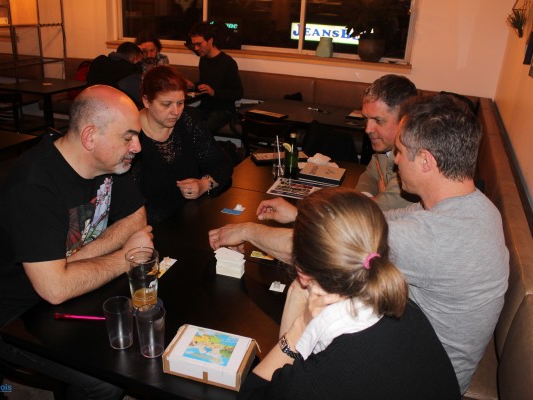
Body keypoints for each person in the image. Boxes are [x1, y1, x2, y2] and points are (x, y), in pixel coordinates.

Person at [209, 94, 509, 394]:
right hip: (415, 346)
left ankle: (283, 376)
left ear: (426, 161)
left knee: (304, 289)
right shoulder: (476, 207)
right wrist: (300, 215)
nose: (396, 160)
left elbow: (321, 253)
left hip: (415, 376)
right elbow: (369, 226)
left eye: (401, 151)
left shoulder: (430, 237)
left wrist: (247, 230)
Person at [0, 85, 153, 399]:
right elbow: (55, 289)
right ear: (90, 136)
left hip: (57, 292)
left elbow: (137, 218)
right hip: (12, 314)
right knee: (108, 380)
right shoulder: (33, 186)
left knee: (140, 335)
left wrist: (76, 260)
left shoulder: (110, 163)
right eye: (128, 137)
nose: (137, 147)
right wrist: (126, 256)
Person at [238, 188, 460, 399]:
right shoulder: (404, 307)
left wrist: (299, 328)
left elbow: (252, 393)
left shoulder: (323, 374)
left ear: (302, 273)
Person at [132, 65, 233, 225]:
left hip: (190, 215)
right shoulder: (131, 135)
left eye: (180, 103)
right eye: (166, 104)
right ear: (146, 101)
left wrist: (203, 184)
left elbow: (222, 164)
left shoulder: (187, 120)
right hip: (150, 225)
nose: (176, 111)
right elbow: (128, 202)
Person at [356, 74, 419, 210]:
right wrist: (368, 196)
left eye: (378, 120)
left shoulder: (414, 158)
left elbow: (386, 208)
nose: (368, 129)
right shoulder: (385, 148)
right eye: (366, 119)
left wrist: (378, 198)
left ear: (404, 120)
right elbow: (369, 176)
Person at [187, 21, 243, 135]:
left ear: (210, 40)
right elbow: (204, 86)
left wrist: (214, 92)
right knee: (182, 118)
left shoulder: (228, 62)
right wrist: (193, 86)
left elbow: (238, 93)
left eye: (199, 44)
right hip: (206, 107)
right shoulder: (203, 60)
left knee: (202, 130)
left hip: (224, 110)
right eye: (194, 45)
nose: (196, 48)